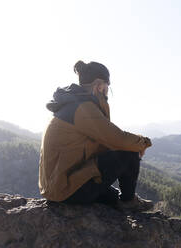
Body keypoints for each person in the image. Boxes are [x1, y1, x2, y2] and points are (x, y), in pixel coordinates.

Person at [38, 60, 153, 212]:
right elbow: (117, 139)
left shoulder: (72, 104)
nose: (106, 93)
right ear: (99, 85)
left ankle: (124, 200)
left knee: (113, 197)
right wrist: (143, 142)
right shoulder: (82, 108)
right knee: (128, 152)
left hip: (60, 185)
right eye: (107, 87)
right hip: (66, 189)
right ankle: (129, 202)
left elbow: (103, 144)